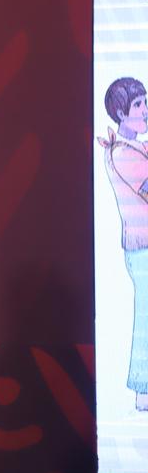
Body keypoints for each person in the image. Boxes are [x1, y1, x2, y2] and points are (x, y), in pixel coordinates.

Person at [101, 77, 148, 410]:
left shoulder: (136, 148)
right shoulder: (123, 153)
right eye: (138, 104)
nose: (145, 110)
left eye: (146, 102)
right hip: (143, 248)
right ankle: (143, 389)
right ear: (120, 112)